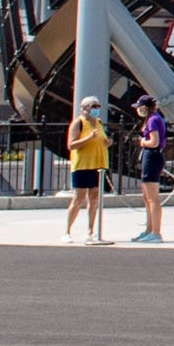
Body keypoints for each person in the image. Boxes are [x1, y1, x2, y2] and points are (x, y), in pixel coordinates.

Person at [64, 97, 110, 245]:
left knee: (94, 199)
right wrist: (89, 138)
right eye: (93, 106)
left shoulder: (99, 123)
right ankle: (67, 231)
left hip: (97, 165)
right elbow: (71, 145)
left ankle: (90, 231)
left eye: (98, 105)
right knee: (79, 198)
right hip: (82, 165)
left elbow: (100, 140)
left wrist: (107, 143)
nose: (96, 108)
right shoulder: (78, 123)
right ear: (84, 108)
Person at [130, 95, 167, 243]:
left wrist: (142, 142)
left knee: (153, 198)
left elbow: (154, 141)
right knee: (147, 198)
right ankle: (149, 229)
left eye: (140, 106)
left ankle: (156, 232)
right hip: (149, 157)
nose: (138, 109)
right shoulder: (153, 119)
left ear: (146, 106)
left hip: (153, 156)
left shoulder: (153, 120)